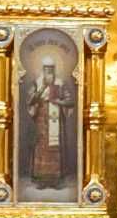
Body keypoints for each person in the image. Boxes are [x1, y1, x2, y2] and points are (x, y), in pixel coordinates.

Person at [19, 58, 75, 194]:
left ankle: (56, 181)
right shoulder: (37, 83)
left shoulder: (60, 84)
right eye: (46, 69)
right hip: (41, 120)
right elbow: (30, 100)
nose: (48, 72)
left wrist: (58, 102)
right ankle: (41, 181)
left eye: (51, 69)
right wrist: (43, 87)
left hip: (56, 118)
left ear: (54, 70)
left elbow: (70, 101)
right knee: (41, 148)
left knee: (55, 148)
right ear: (43, 70)